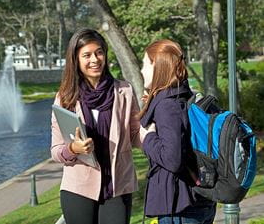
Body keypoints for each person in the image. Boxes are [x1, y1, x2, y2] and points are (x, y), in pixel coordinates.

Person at [50, 28, 143, 224]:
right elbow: (56, 150)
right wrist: (72, 149)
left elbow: (135, 133)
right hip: (78, 187)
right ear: (76, 59)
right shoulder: (65, 97)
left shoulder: (124, 90)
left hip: (117, 186)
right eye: (87, 55)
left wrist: (158, 140)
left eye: (99, 52)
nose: (95, 59)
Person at [138, 39, 216, 224]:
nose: (142, 71)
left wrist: (148, 137)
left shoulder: (167, 105)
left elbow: (172, 160)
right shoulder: (184, 96)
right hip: (198, 200)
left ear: (157, 67)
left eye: (144, 65)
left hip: (180, 205)